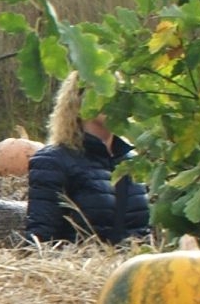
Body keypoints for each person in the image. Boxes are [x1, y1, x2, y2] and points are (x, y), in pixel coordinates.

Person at [25, 75, 151, 244]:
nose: (113, 98)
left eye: (118, 92)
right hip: (78, 267)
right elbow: (40, 241)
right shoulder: (53, 161)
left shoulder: (134, 162)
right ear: (79, 100)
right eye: (103, 90)